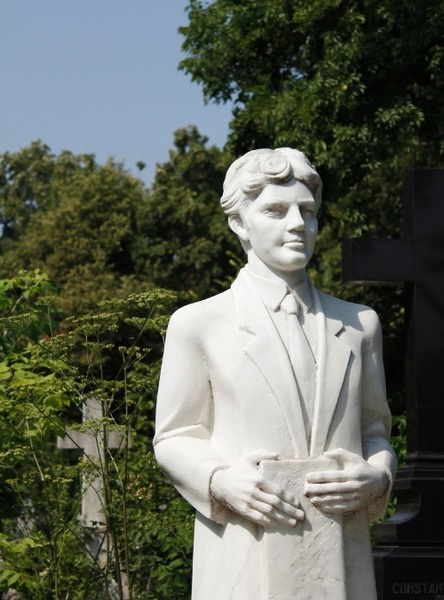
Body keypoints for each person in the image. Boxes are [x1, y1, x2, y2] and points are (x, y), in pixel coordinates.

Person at [154, 148, 397, 599]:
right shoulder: (199, 324)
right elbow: (174, 436)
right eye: (275, 210)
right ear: (239, 222)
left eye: (307, 211)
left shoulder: (360, 324)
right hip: (246, 551)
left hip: (341, 559)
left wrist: (378, 478)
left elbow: (375, 431)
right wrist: (220, 481)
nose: (297, 224)